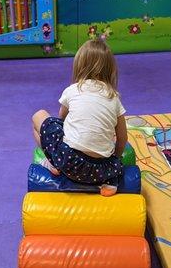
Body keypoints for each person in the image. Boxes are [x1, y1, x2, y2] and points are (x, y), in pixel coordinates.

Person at [32, 39, 127, 197]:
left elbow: (61, 120)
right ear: (110, 70)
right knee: (109, 152)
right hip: (102, 171)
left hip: (69, 164)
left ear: (79, 67)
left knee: (39, 116)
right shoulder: (114, 97)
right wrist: (113, 160)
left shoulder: (72, 90)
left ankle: (52, 163)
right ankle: (111, 181)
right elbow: (123, 139)